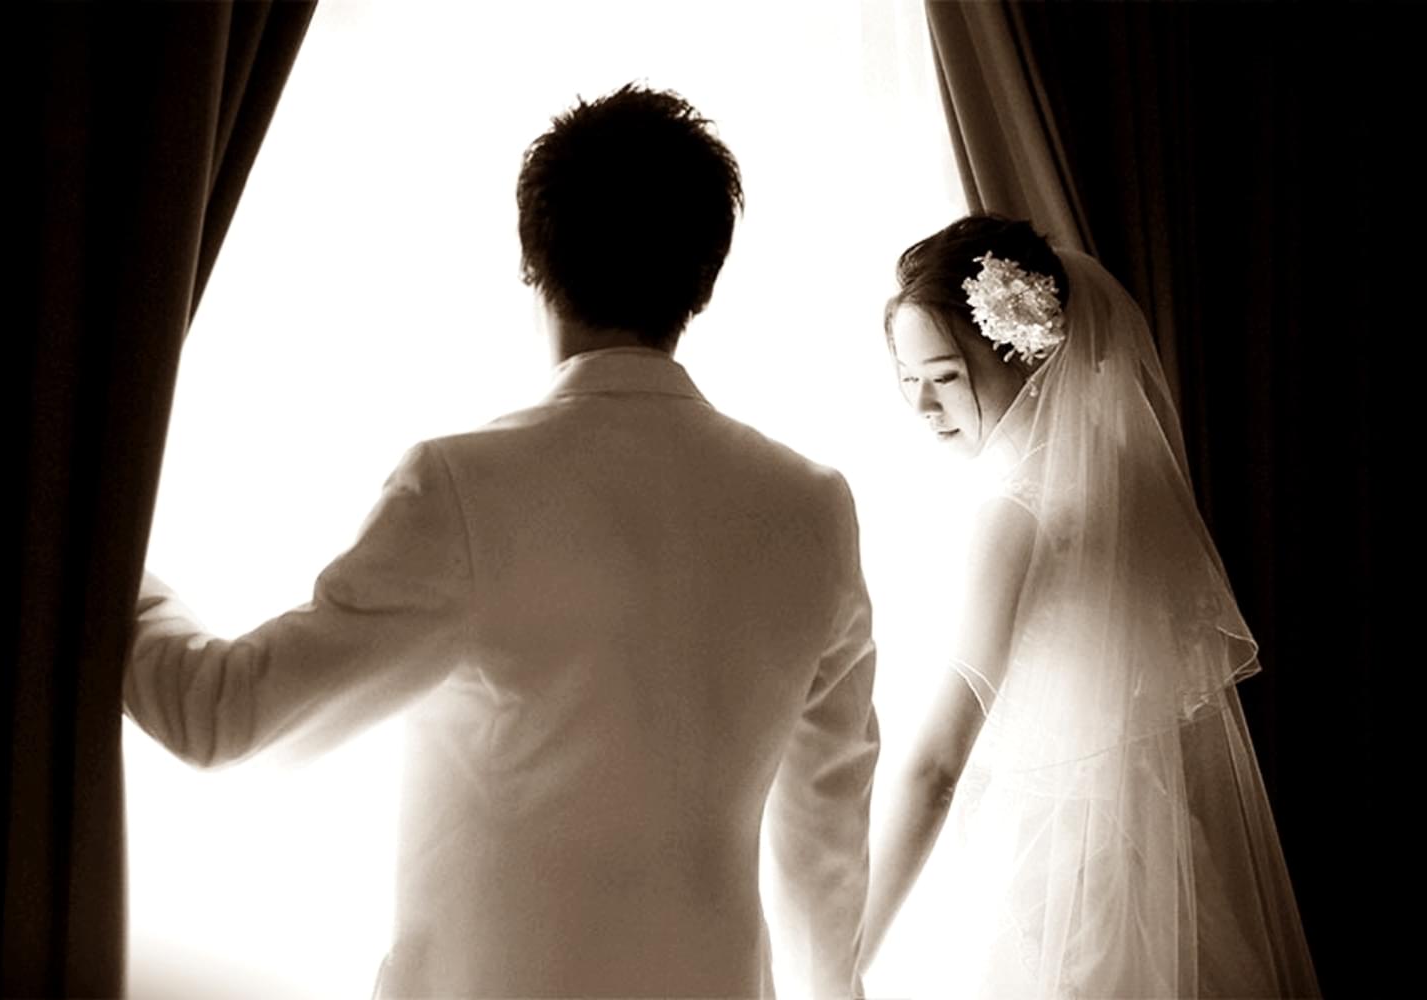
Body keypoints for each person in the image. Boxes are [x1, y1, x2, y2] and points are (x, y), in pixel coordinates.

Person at [124, 83, 879, 999]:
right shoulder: (812, 507)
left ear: (532, 256)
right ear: (705, 279)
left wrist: (103, 570)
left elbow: (222, 718)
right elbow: (828, 841)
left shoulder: (464, 487)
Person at [860, 214, 1320, 998]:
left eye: (946, 375)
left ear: (1025, 350)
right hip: (1151, 859)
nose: (925, 408)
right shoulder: (1117, 475)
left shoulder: (1013, 511)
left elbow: (937, 763)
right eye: (909, 380)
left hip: (1048, 885)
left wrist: (852, 942)